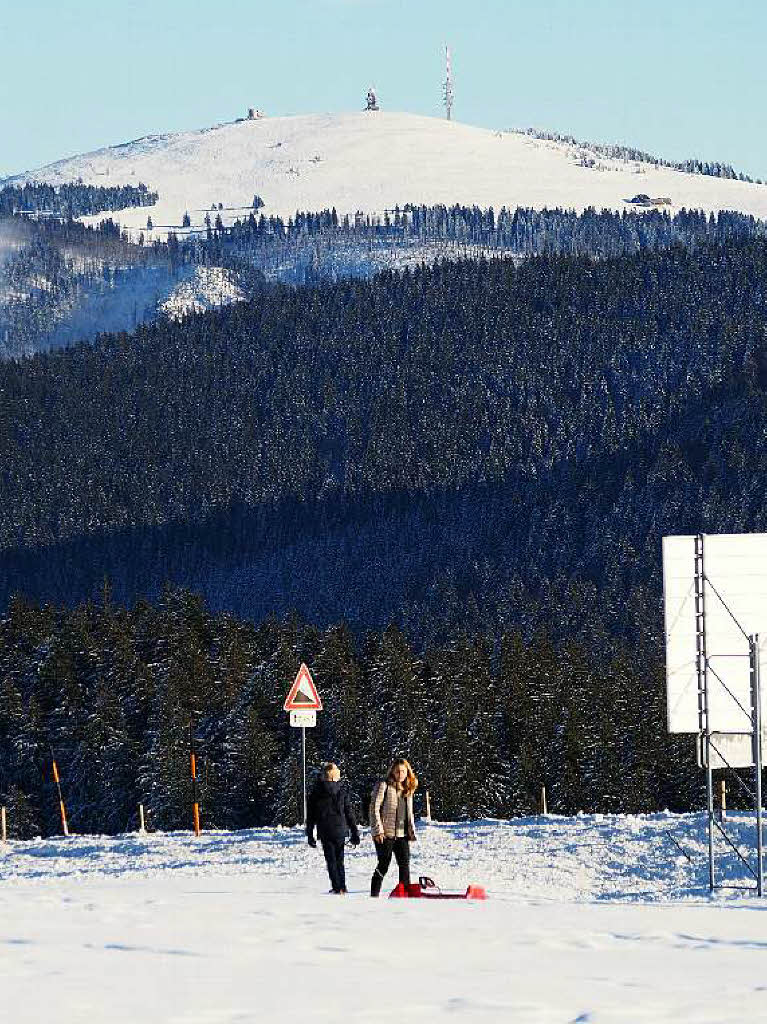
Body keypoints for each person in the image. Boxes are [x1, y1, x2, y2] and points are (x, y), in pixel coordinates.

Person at [306, 762, 360, 894]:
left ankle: (337, 887)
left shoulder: (315, 793)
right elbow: (349, 813)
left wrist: (310, 834)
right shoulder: (342, 792)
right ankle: (342, 886)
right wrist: (354, 831)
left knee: (331, 860)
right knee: (340, 860)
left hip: (325, 830)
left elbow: (311, 816)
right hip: (340, 830)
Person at [368, 758, 418, 897]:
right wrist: (378, 830)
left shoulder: (408, 789)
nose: (400, 774)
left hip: (402, 834)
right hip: (386, 834)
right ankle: (374, 895)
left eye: (403, 771)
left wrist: (411, 830)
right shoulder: (384, 785)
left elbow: (409, 813)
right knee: (383, 864)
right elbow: (374, 808)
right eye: (397, 771)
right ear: (392, 772)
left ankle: (405, 894)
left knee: (405, 864)